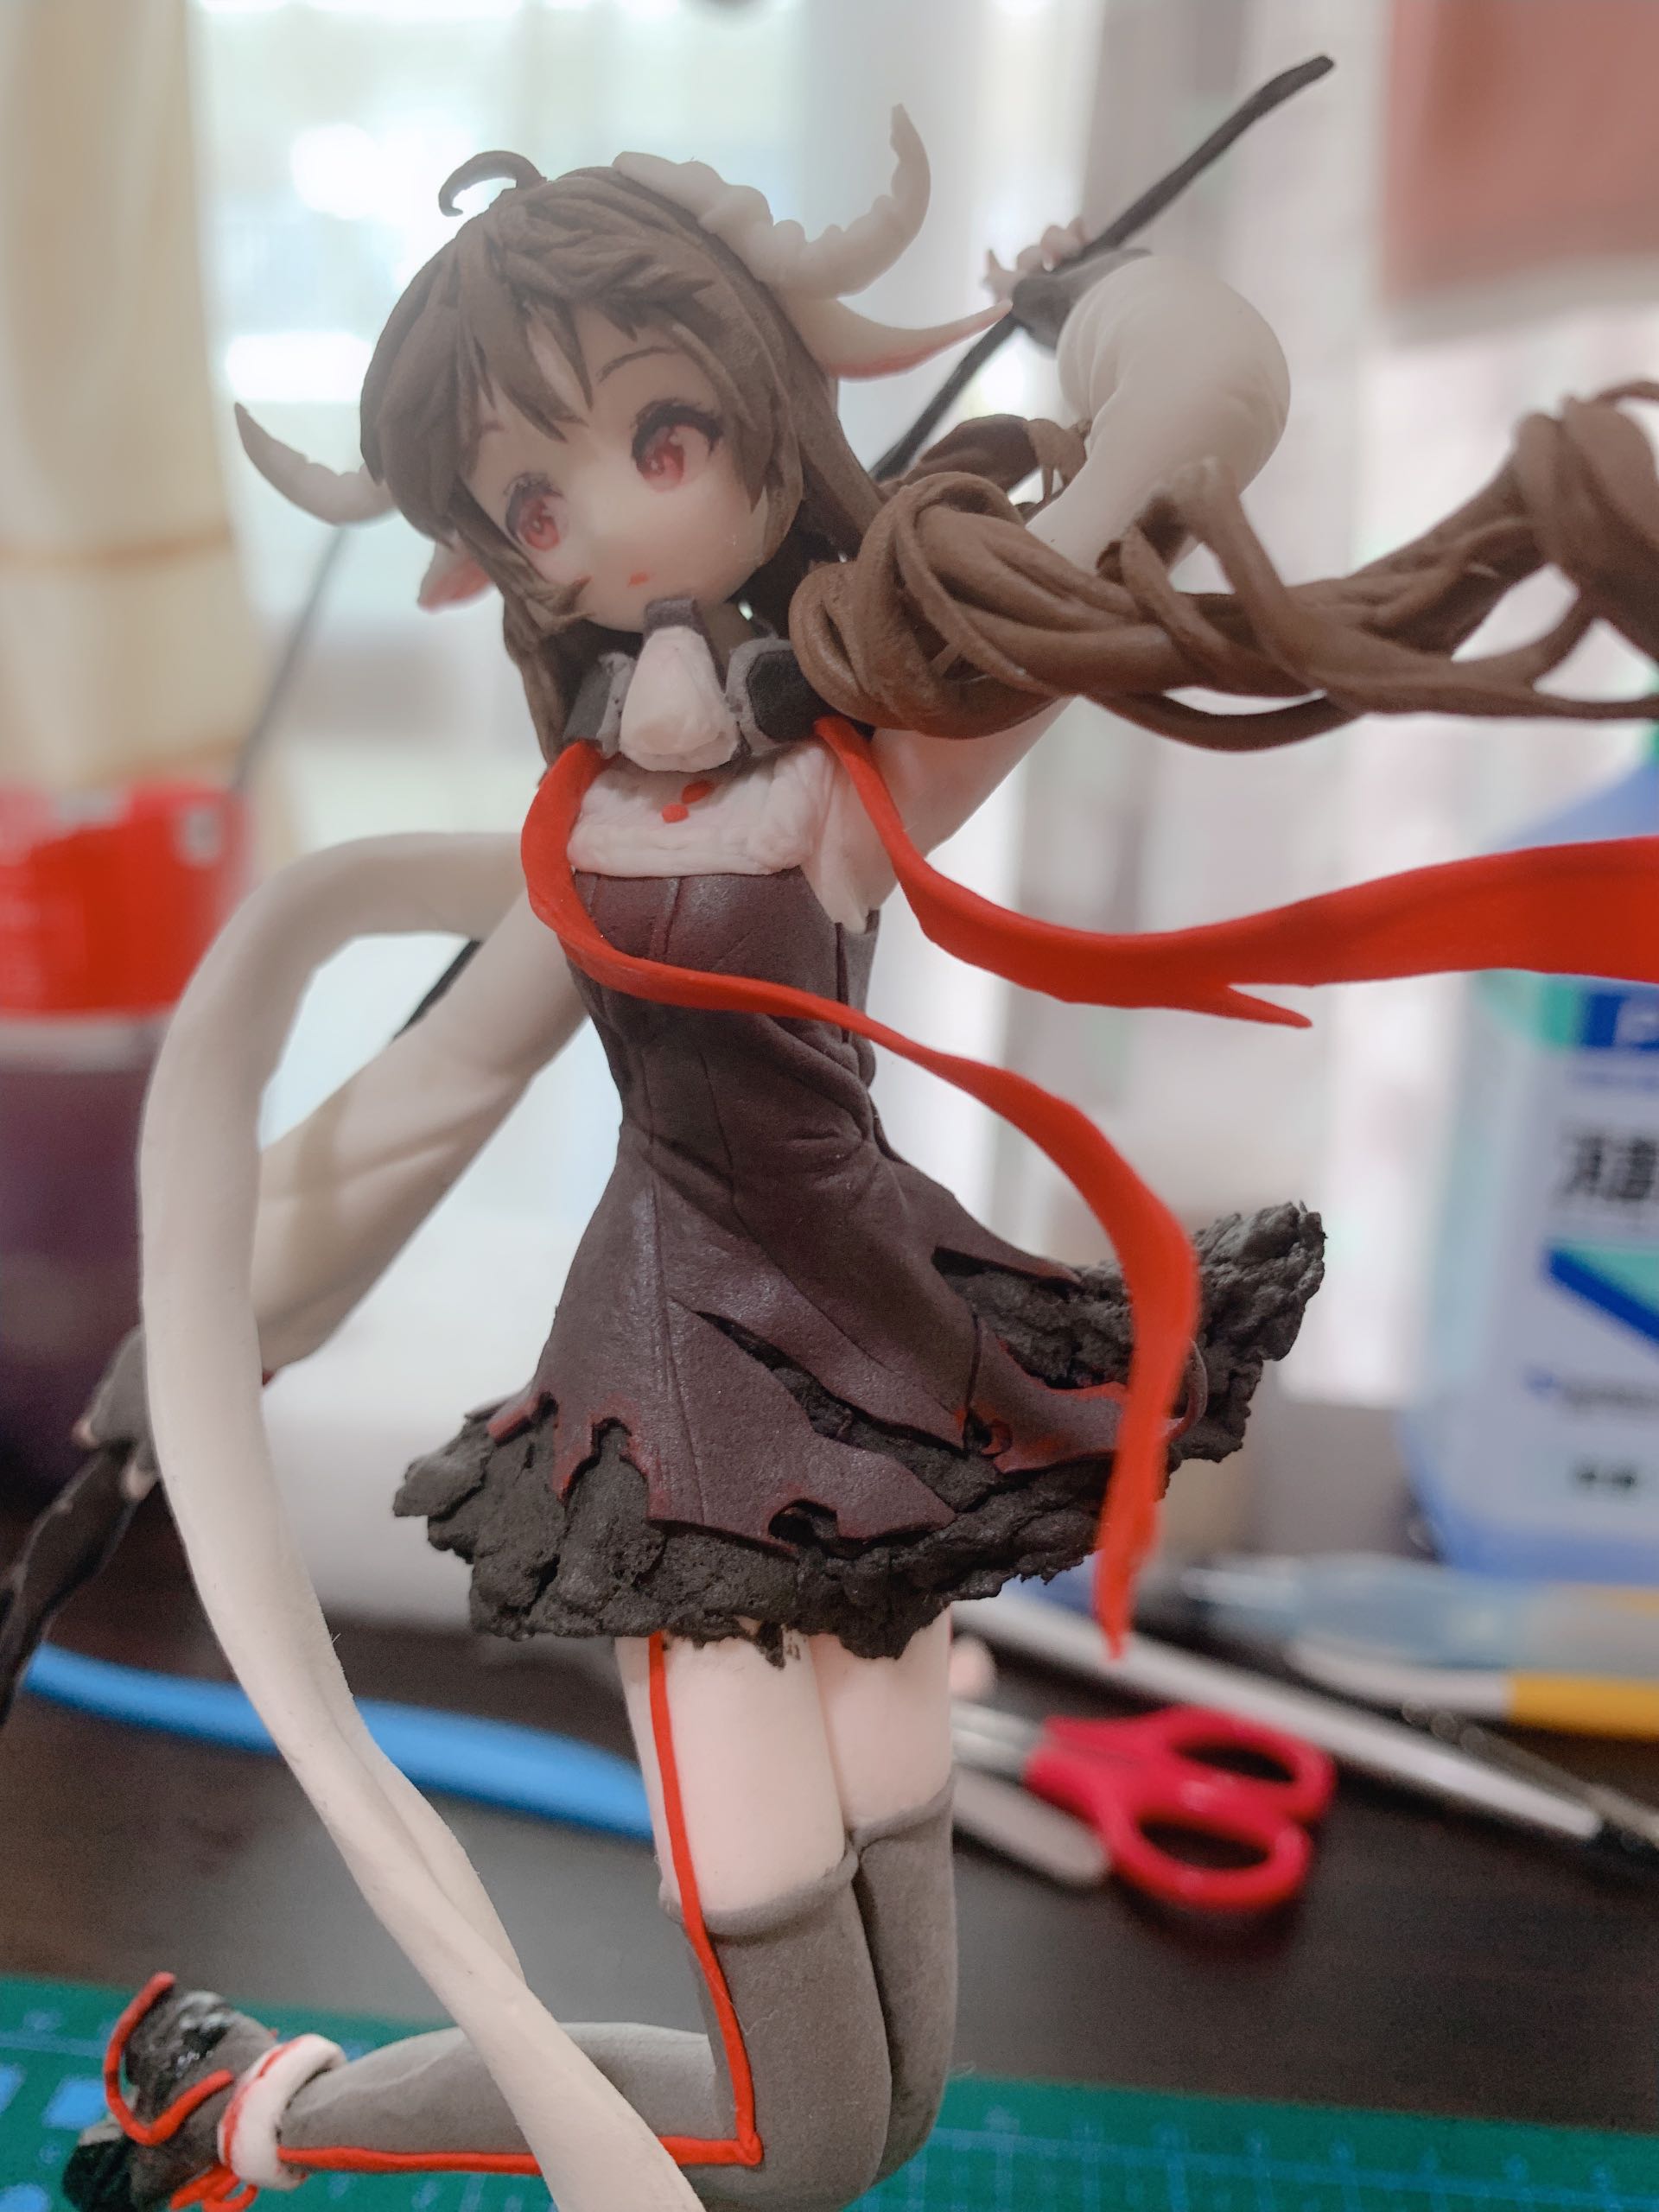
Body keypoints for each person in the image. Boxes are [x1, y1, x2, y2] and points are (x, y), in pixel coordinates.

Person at [66, 117, 1659, 2212]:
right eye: (531, 499)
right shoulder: (579, 830)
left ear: (757, 414)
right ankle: (258, 2110)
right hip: (677, 1449)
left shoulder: (854, 762)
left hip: (893, 1403)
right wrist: (188, 1361)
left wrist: (1083, 301)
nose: (606, 518)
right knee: (792, 2140)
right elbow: (417, 1106)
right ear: (493, 556)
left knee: (890, 2114)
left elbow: (1205, 406)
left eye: (660, 434)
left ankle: (247, 2104)